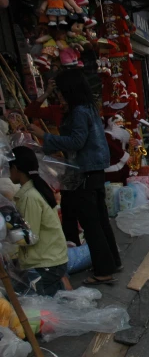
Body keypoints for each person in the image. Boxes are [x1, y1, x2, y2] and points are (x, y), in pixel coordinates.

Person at [29, 68, 122, 284]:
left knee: (92, 223)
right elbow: (30, 110)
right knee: (99, 220)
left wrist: (46, 137)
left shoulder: (79, 111)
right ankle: (111, 263)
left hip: (85, 172)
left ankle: (103, 270)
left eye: (61, 91)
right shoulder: (86, 108)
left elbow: (76, 142)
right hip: (91, 170)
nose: (59, 96)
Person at [10, 146, 69, 296]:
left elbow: (30, 237)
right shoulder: (35, 190)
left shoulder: (29, 196)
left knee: (46, 310)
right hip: (51, 259)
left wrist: (7, 232)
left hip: (45, 263)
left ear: (15, 168)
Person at [104, 113, 131, 184]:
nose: (120, 124)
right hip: (112, 166)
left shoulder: (121, 134)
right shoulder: (107, 135)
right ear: (112, 124)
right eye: (118, 122)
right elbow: (114, 148)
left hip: (122, 165)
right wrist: (125, 156)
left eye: (121, 122)